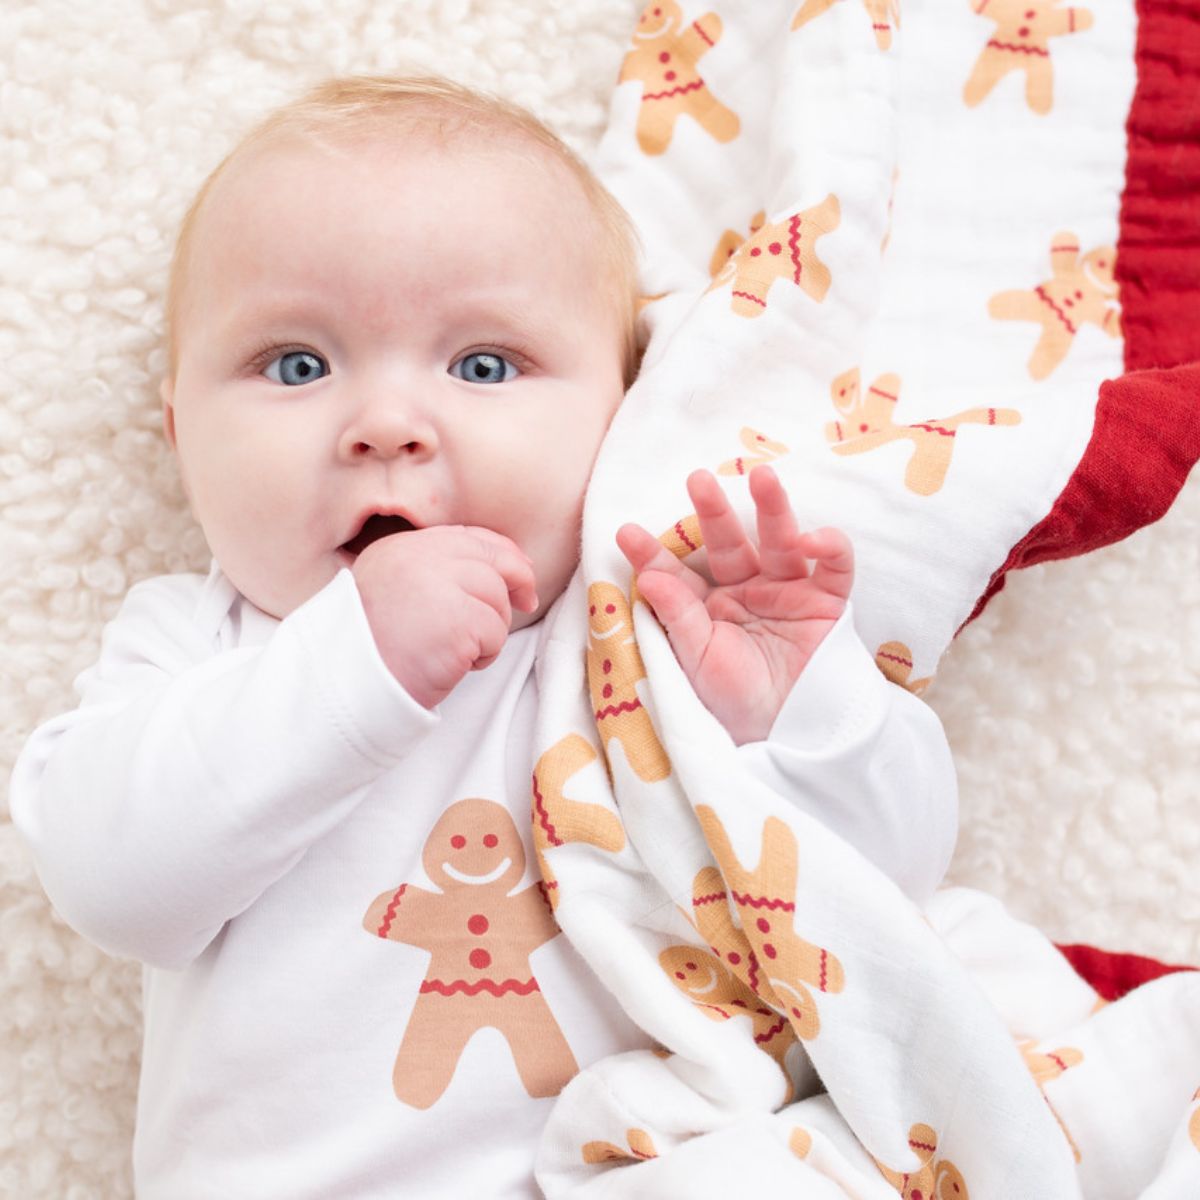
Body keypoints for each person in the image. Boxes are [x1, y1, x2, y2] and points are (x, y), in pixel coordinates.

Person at [9, 76, 957, 1198]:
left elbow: (886, 896)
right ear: (180, 433)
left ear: (621, 408)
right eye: (297, 365)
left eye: (483, 366)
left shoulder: (631, 641)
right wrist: (357, 663)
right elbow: (111, 885)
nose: (387, 426)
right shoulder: (199, 647)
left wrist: (797, 716)